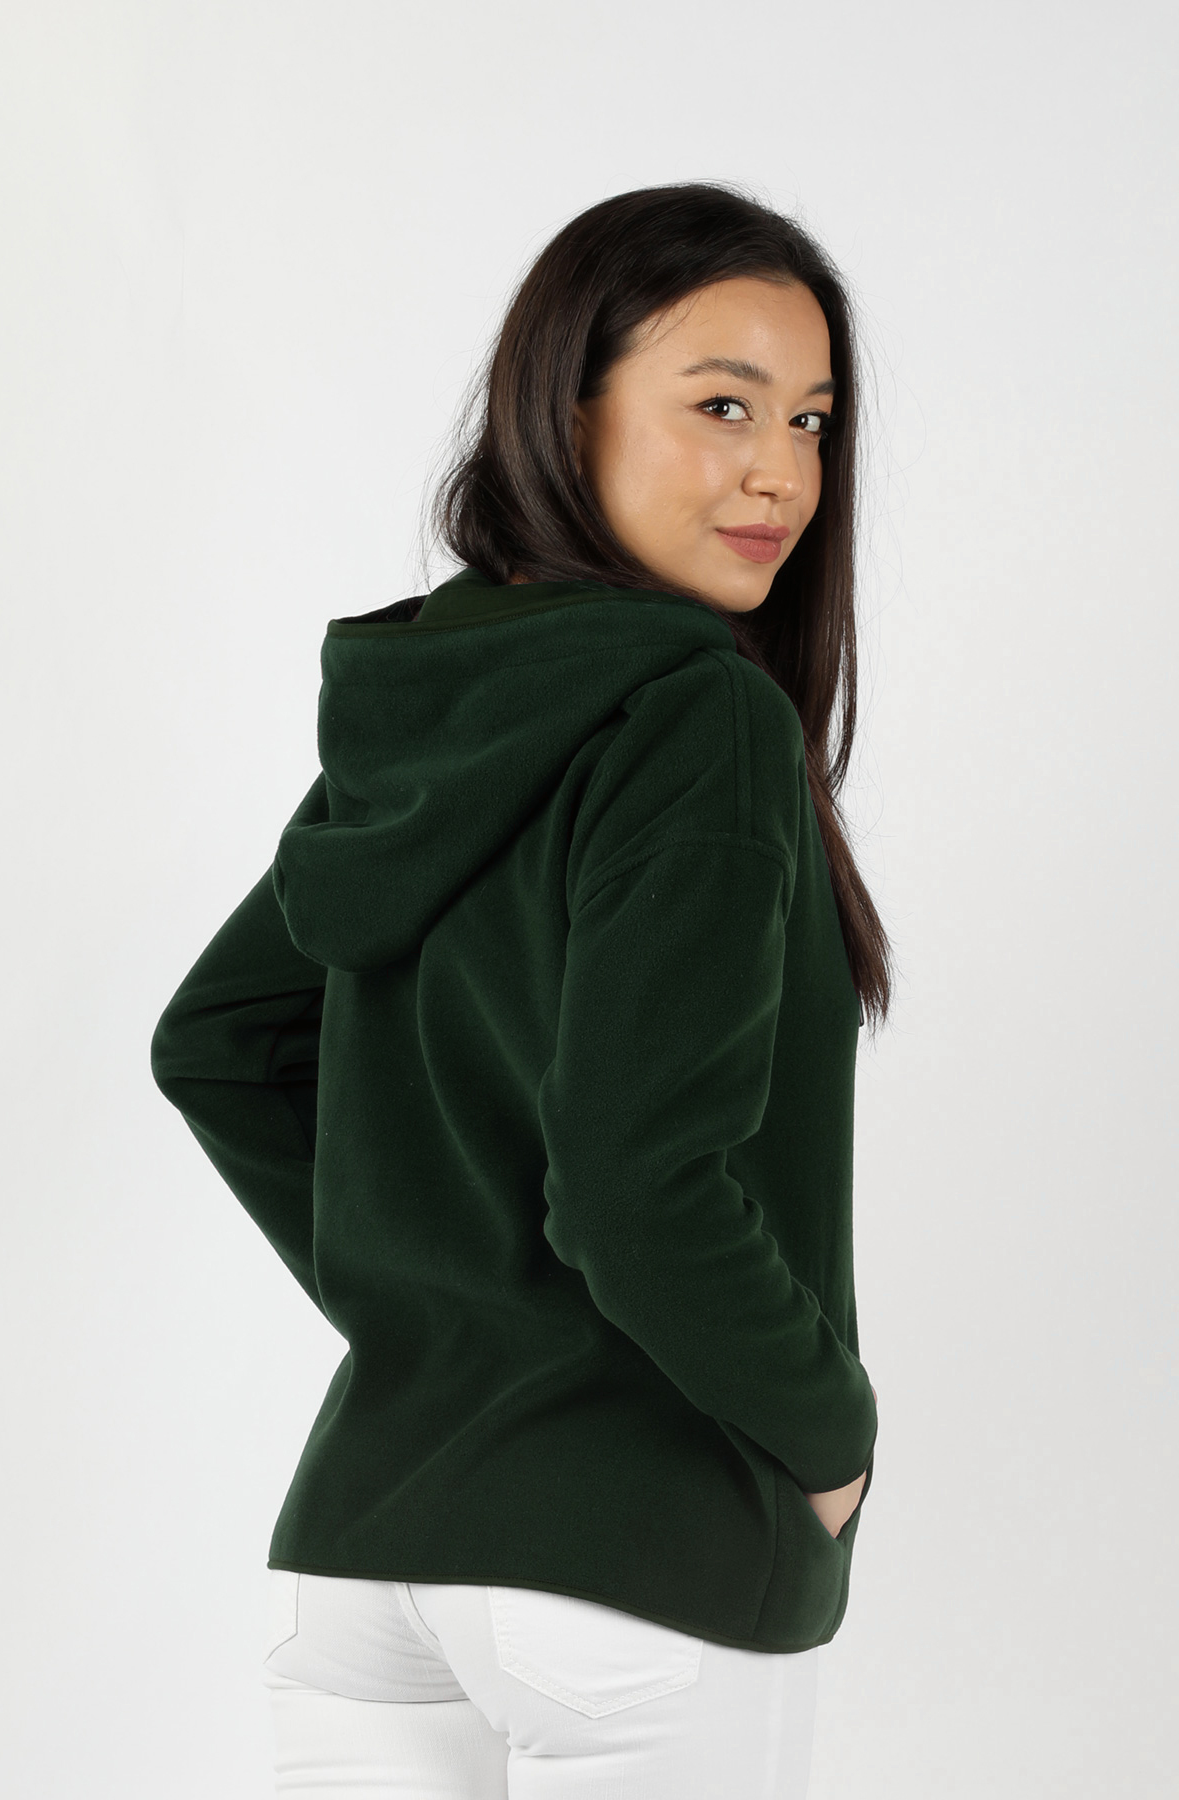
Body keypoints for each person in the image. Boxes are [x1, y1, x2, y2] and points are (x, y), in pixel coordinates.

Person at [149, 179, 895, 1799]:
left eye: (813, 421)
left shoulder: (442, 696)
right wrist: (830, 1436)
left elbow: (221, 1043)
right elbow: (635, 1184)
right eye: (723, 406)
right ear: (567, 413)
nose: (783, 471)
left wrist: (445, 1310)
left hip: (365, 1558)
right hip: (637, 1556)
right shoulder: (702, 717)